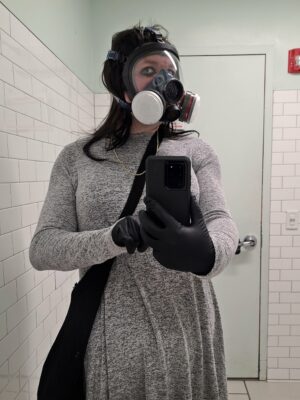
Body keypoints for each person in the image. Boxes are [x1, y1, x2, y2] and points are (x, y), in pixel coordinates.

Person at [29, 23, 239, 400]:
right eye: (148, 71)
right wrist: (111, 238)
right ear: (123, 87)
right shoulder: (77, 158)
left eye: (170, 73)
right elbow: (43, 248)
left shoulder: (197, 151)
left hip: (187, 324)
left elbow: (223, 222)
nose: (164, 82)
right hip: (113, 331)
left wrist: (208, 253)